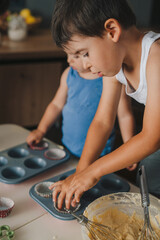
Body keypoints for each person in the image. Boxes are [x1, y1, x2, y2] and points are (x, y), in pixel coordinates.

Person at [49, 0, 160, 209]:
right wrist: (80, 174)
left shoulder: (156, 58)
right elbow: (102, 121)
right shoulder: (114, 64)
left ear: (112, 31)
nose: (84, 65)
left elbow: (152, 137)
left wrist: (93, 172)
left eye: (85, 53)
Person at [27, 53, 135, 160]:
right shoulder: (68, 73)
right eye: (68, 54)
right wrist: (41, 130)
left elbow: (124, 116)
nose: (69, 60)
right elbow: (56, 105)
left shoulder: (112, 80)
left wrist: (129, 149)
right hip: (68, 146)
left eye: (76, 56)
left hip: (99, 153)